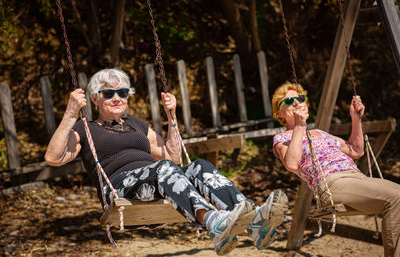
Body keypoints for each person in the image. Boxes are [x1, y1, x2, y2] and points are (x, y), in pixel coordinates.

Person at [45, 68, 288, 255]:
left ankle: (254, 220)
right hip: (119, 187)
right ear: (95, 99)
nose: (117, 98)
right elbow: (53, 158)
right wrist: (70, 113)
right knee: (163, 168)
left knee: (199, 165)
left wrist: (172, 117)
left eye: (122, 92)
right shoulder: (85, 128)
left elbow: (172, 157)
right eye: (108, 93)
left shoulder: (137, 125)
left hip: (156, 179)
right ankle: (213, 222)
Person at [271, 81, 400, 257]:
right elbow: (292, 164)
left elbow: (355, 150)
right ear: (279, 113)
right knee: (396, 197)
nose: (295, 102)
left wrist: (355, 117)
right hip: (332, 182)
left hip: (356, 177)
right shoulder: (282, 138)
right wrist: (300, 127)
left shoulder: (320, 133)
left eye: (299, 98)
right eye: (288, 101)